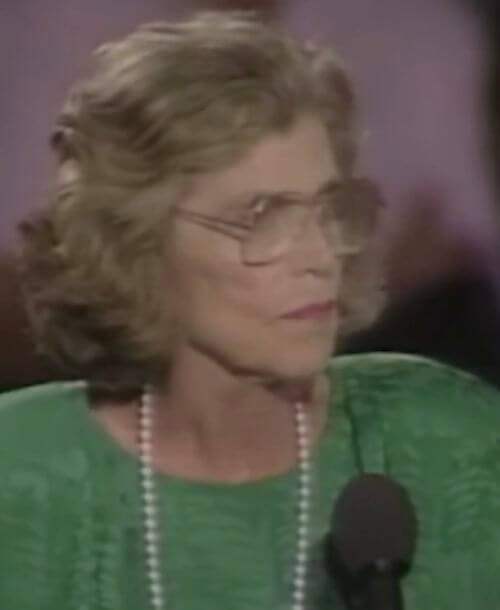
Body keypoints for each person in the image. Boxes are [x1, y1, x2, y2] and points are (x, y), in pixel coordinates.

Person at [1, 11, 500, 610]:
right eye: (260, 218)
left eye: (327, 210)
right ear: (137, 242)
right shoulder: (21, 472)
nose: (319, 256)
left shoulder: (447, 439)